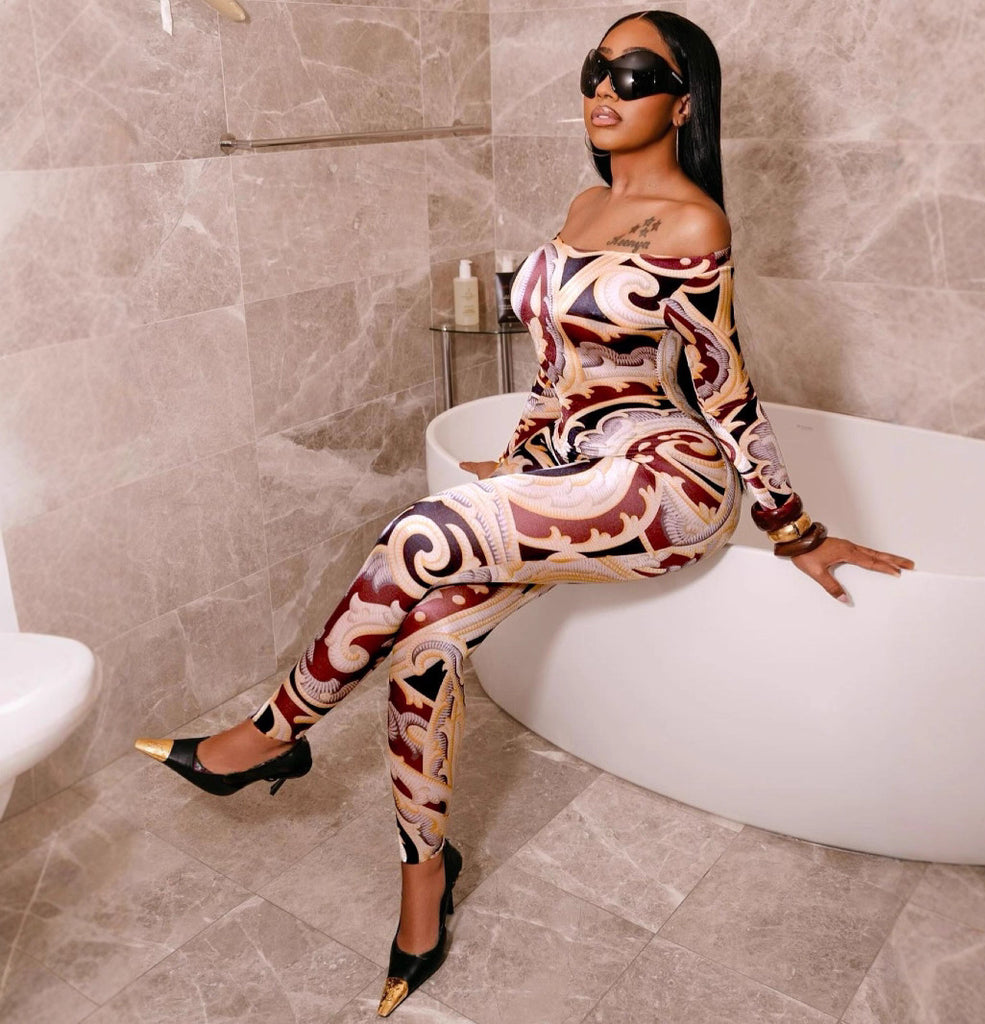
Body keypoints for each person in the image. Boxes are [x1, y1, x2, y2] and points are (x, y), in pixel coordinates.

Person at [134, 10, 914, 1017]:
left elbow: (725, 387)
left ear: (684, 104)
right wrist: (519, 467)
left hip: (664, 482)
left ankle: (271, 733)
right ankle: (425, 881)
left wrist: (794, 529)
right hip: (574, 472)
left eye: (634, 74)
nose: (604, 89)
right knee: (423, 642)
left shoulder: (694, 226)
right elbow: (556, 372)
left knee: (420, 533)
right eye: (596, 68)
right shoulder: (585, 203)